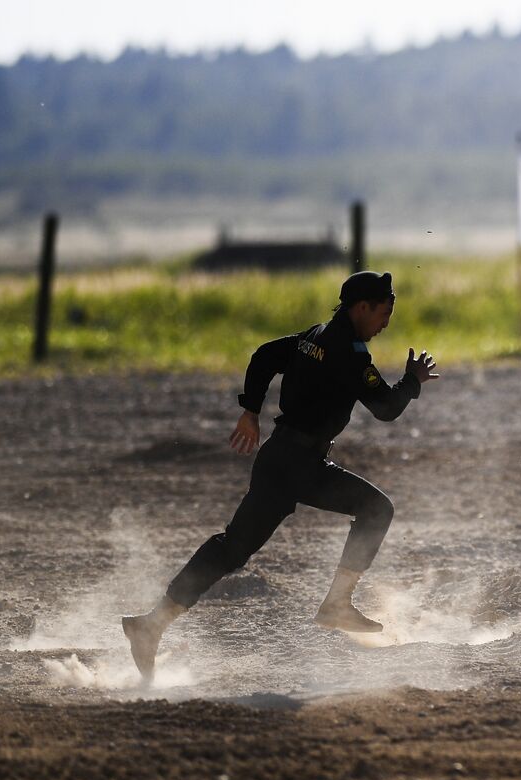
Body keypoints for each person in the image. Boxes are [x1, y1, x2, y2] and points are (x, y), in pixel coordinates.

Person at [122, 270, 439, 681]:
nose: (386, 322)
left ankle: (151, 624)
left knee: (232, 548)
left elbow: (265, 355)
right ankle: (337, 604)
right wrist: (412, 381)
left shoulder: (316, 335)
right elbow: (386, 408)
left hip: (282, 459)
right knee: (376, 509)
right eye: (384, 312)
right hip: (298, 463)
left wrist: (250, 410)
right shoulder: (350, 351)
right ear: (362, 307)